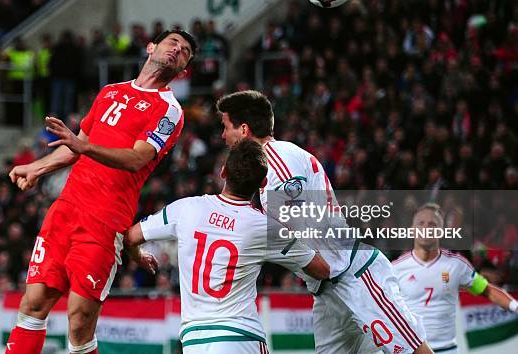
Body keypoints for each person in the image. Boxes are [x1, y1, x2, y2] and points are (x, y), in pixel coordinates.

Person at [4, 30, 198, 354]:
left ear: (183, 70)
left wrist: (85, 146)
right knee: (33, 302)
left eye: (185, 51)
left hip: (105, 222)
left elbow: (137, 159)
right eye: (172, 42)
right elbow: (74, 147)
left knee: (79, 321)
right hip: (66, 209)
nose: (178, 49)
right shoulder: (109, 92)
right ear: (151, 47)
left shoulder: (169, 110)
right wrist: (36, 168)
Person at [216, 90, 434, 354]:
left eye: (225, 127)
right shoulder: (268, 167)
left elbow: (297, 223)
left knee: (413, 351)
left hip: (354, 275)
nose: (223, 136)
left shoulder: (277, 159)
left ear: (243, 129)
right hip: (327, 288)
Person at [124, 139, 330, 354]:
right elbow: (322, 270)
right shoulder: (264, 226)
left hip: (194, 341)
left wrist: (137, 255)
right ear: (262, 184)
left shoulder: (185, 208)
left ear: (223, 172)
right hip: (241, 337)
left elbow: (130, 237)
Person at [393, 203, 518, 354]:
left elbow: (487, 290)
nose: (426, 228)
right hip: (412, 351)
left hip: (448, 350)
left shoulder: (457, 265)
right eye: (421, 223)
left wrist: (514, 306)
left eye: (432, 224)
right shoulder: (396, 268)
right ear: (412, 229)